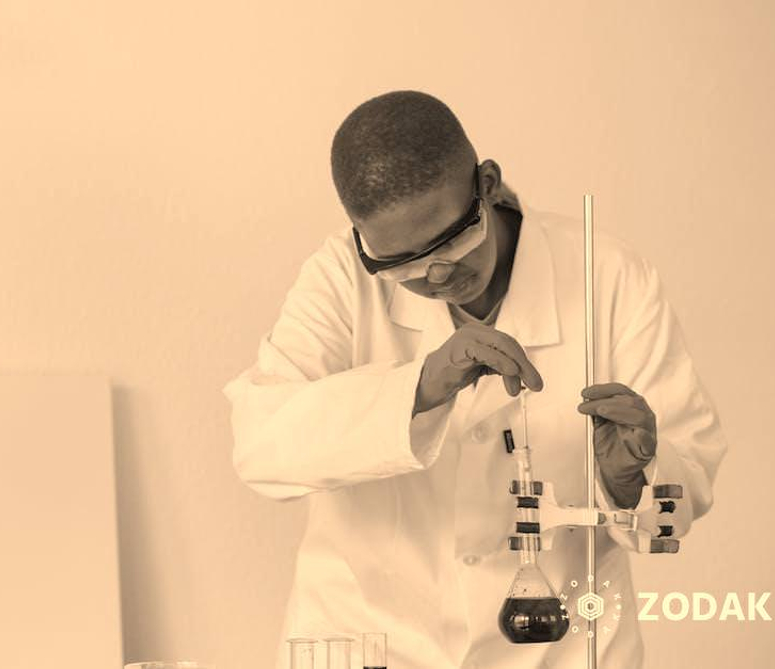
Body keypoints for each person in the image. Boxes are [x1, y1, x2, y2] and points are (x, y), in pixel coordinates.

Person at [221, 91, 728, 669]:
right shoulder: (342, 278)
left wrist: (629, 479)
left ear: (486, 184)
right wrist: (422, 386)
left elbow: (688, 475)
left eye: (451, 240)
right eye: (403, 262)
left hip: (559, 649)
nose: (437, 274)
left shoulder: (608, 275)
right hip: (366, 641)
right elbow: (261, 445)